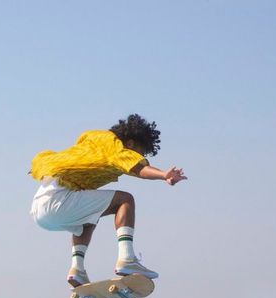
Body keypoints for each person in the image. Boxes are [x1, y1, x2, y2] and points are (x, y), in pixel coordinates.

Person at [29, 114, 187, 287]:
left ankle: (77, 270)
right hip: (60, 199)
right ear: (131, 143)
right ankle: (127, 259)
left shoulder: (94, 140)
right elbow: (140, 169)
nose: (140, 156)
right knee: (125, 200)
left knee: (89, 217)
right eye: (141, 151)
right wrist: (164, 175)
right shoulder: (114, 146)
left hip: (40, 207)